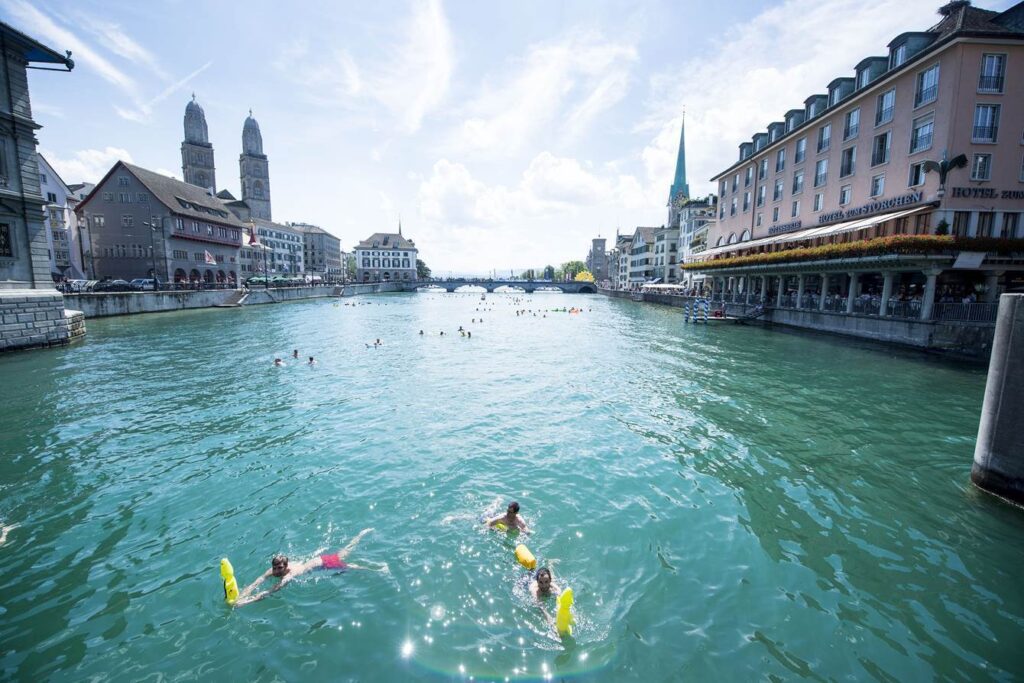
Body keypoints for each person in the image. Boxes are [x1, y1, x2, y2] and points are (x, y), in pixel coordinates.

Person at [236, 528, 373, 606]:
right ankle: (361, 534)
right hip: (318, 560)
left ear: (286, 567)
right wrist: (243, 594)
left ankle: (376, 568)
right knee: (344, 552)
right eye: (275, 568)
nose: (276, 571)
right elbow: (257, 582)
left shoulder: (289, 576)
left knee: (351, 567)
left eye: (279, 569)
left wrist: (247, 602)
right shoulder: (272, 570)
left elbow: (270, 591)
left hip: (324, 565)